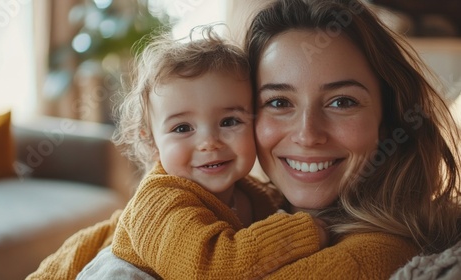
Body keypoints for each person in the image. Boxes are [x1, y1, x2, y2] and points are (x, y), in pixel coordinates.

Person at [27, 0, 461, 279]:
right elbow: (97, 240)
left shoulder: (370, 254)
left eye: (343, 101)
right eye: (278, 103)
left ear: (389, 117)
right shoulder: (243, 201)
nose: (307, 134)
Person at [84, 26, 328, 280]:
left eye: (229, 121)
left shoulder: (252, 193)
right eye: (182, 128)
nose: (209, 143)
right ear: (152, 141)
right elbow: (210, 268)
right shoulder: (159, 202)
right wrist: (302, 233)